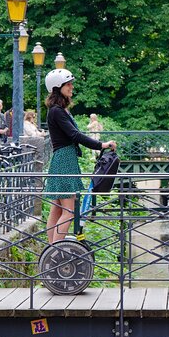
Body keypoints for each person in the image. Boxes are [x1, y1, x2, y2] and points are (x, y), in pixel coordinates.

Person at [44, 68, 116, 243]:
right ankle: (56, 250)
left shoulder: (60, 110)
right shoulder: (57, 111)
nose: (71, 87)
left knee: (58, 209)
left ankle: (52, 248)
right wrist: (101, 145)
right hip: (64, 161)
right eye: (68, 84)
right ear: (57, 87)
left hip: (63, 159)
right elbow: (75, 135)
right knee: (68, 211)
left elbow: (74, 134)